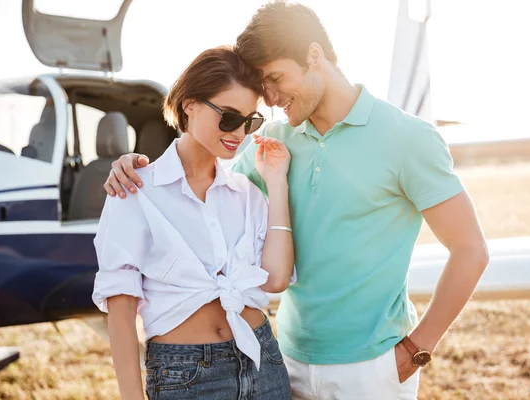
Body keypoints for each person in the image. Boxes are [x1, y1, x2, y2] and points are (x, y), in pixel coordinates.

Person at [103, 2, 489, 399]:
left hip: (372, 367)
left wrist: (416, 350)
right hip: (285, 361)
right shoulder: (271, 142)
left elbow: (470, 250)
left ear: (314, 55)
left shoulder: (407, 138)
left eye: (275, 78)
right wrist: (131, 168)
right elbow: (202, 189)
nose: (269, 99)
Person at [92, 46, 295, 400]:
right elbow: (120, 308)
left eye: (251, 121)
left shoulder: (247, 192)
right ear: (189, 105)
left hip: (263, 363)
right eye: (229, 117)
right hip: (186, 377)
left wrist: (276, 183)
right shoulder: (134, 190)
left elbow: (276, 279)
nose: (240, 132)